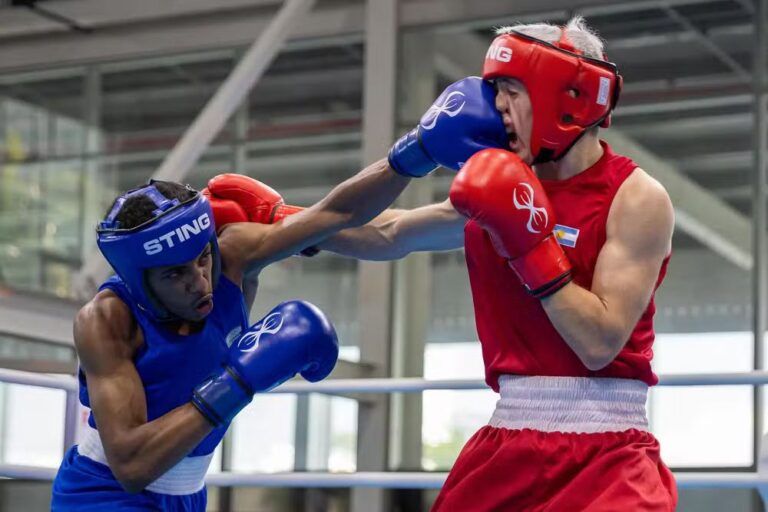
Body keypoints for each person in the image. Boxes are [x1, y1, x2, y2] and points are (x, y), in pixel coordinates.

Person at [226, 16, 677, 511]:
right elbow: (391, 232)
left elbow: (599, 342)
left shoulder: (635, 198)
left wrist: (529, 246)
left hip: (607, 456)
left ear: (564, 97)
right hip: (510, 439)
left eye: (511, 91)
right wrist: (286, 223)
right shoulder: (503, 185)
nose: (497, 107)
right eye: (494, 91)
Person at [50, 155, 415, 510]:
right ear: (139, 281)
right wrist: (235, 383)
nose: (200, 281)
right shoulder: (106, 319)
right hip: (102, 494)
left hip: (189, 493)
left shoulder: (233, 255)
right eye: (175, 274)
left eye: (202, 258)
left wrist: (413, 154)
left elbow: (336, 214)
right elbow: (132, 467)